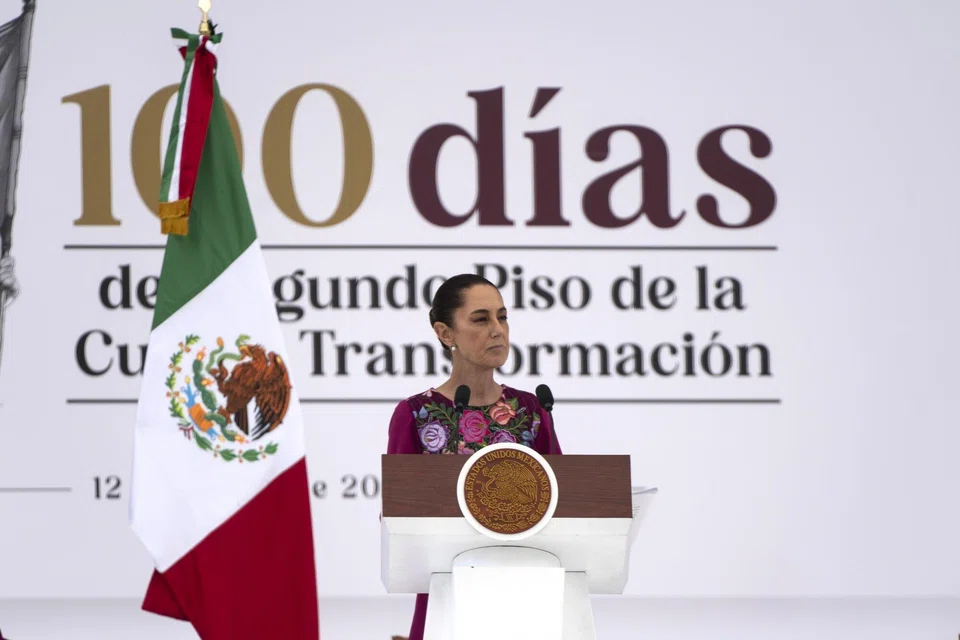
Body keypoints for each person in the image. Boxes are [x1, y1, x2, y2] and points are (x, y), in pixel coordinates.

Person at [385, 273, 563, 640]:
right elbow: (399, 521)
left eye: (503, 316)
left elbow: (564, 507)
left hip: (527, 599)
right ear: (445, 333)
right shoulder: (417, 414)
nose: (497, 330)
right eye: (481, 319)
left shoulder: (531, 410)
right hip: (446, 599)